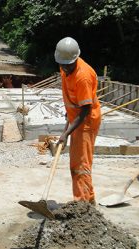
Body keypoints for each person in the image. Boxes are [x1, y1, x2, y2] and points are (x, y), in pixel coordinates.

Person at [55, 37, 101, 204]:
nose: (64, 68)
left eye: (67, 64)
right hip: (76, 120)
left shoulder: (83, 77)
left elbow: (85, 111)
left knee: (81, 166)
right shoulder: (65, 68)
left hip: (86, 122)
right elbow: (71, 100)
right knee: (76, 164)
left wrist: (66, 133)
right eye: (62, 64)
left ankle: (83, 205)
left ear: (75, 59)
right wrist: (67, 121)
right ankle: (88, 201)